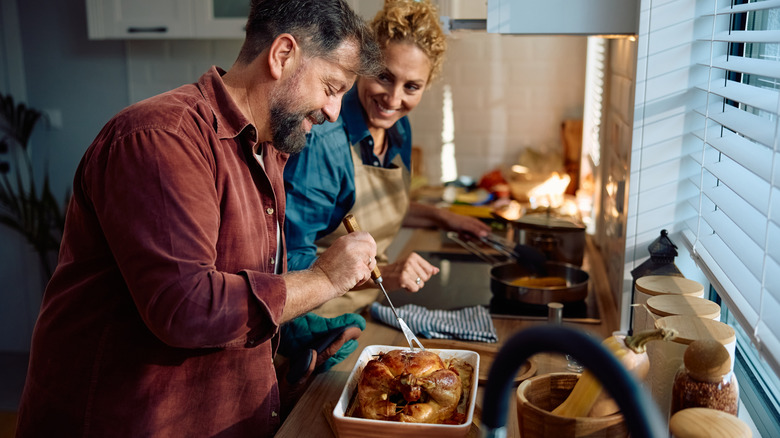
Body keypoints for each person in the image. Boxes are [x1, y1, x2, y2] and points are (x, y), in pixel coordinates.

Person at [14, 1, 382, 437]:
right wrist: (323, 279)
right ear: (283, 55)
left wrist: (288, 327)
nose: (335, 111)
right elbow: (186, 308)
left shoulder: (268, 152)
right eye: (331, 86)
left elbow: (235, 286)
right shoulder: (161, 138)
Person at [284, 0, 491, 317]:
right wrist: (388, 275)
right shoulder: (324, 142)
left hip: (368, 304)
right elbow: (291, 262)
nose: (393, 100)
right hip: (317, 318)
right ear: (364, 63)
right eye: (383, 76)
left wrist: (442, 218)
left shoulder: (398, 128)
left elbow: (369, 209)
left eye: (411, 86)